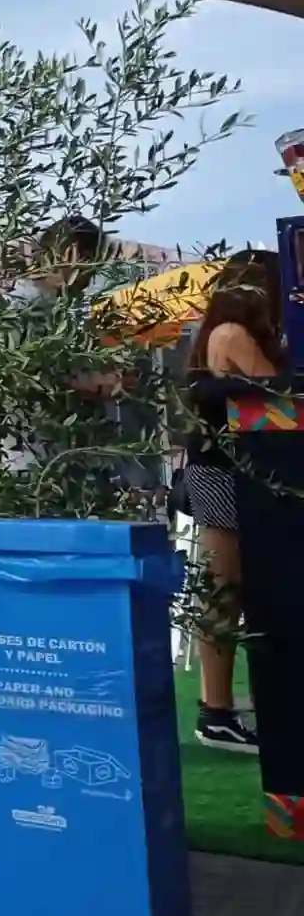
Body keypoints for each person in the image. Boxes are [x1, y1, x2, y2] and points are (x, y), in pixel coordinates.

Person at [183, 249, 281, 753]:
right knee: (224, 591)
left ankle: (218, 709)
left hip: (224, 472)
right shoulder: (233, 336)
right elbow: (280, 395)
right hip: (224, 475)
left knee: (226, 590)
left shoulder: (218, 335)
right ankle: (215, 711)